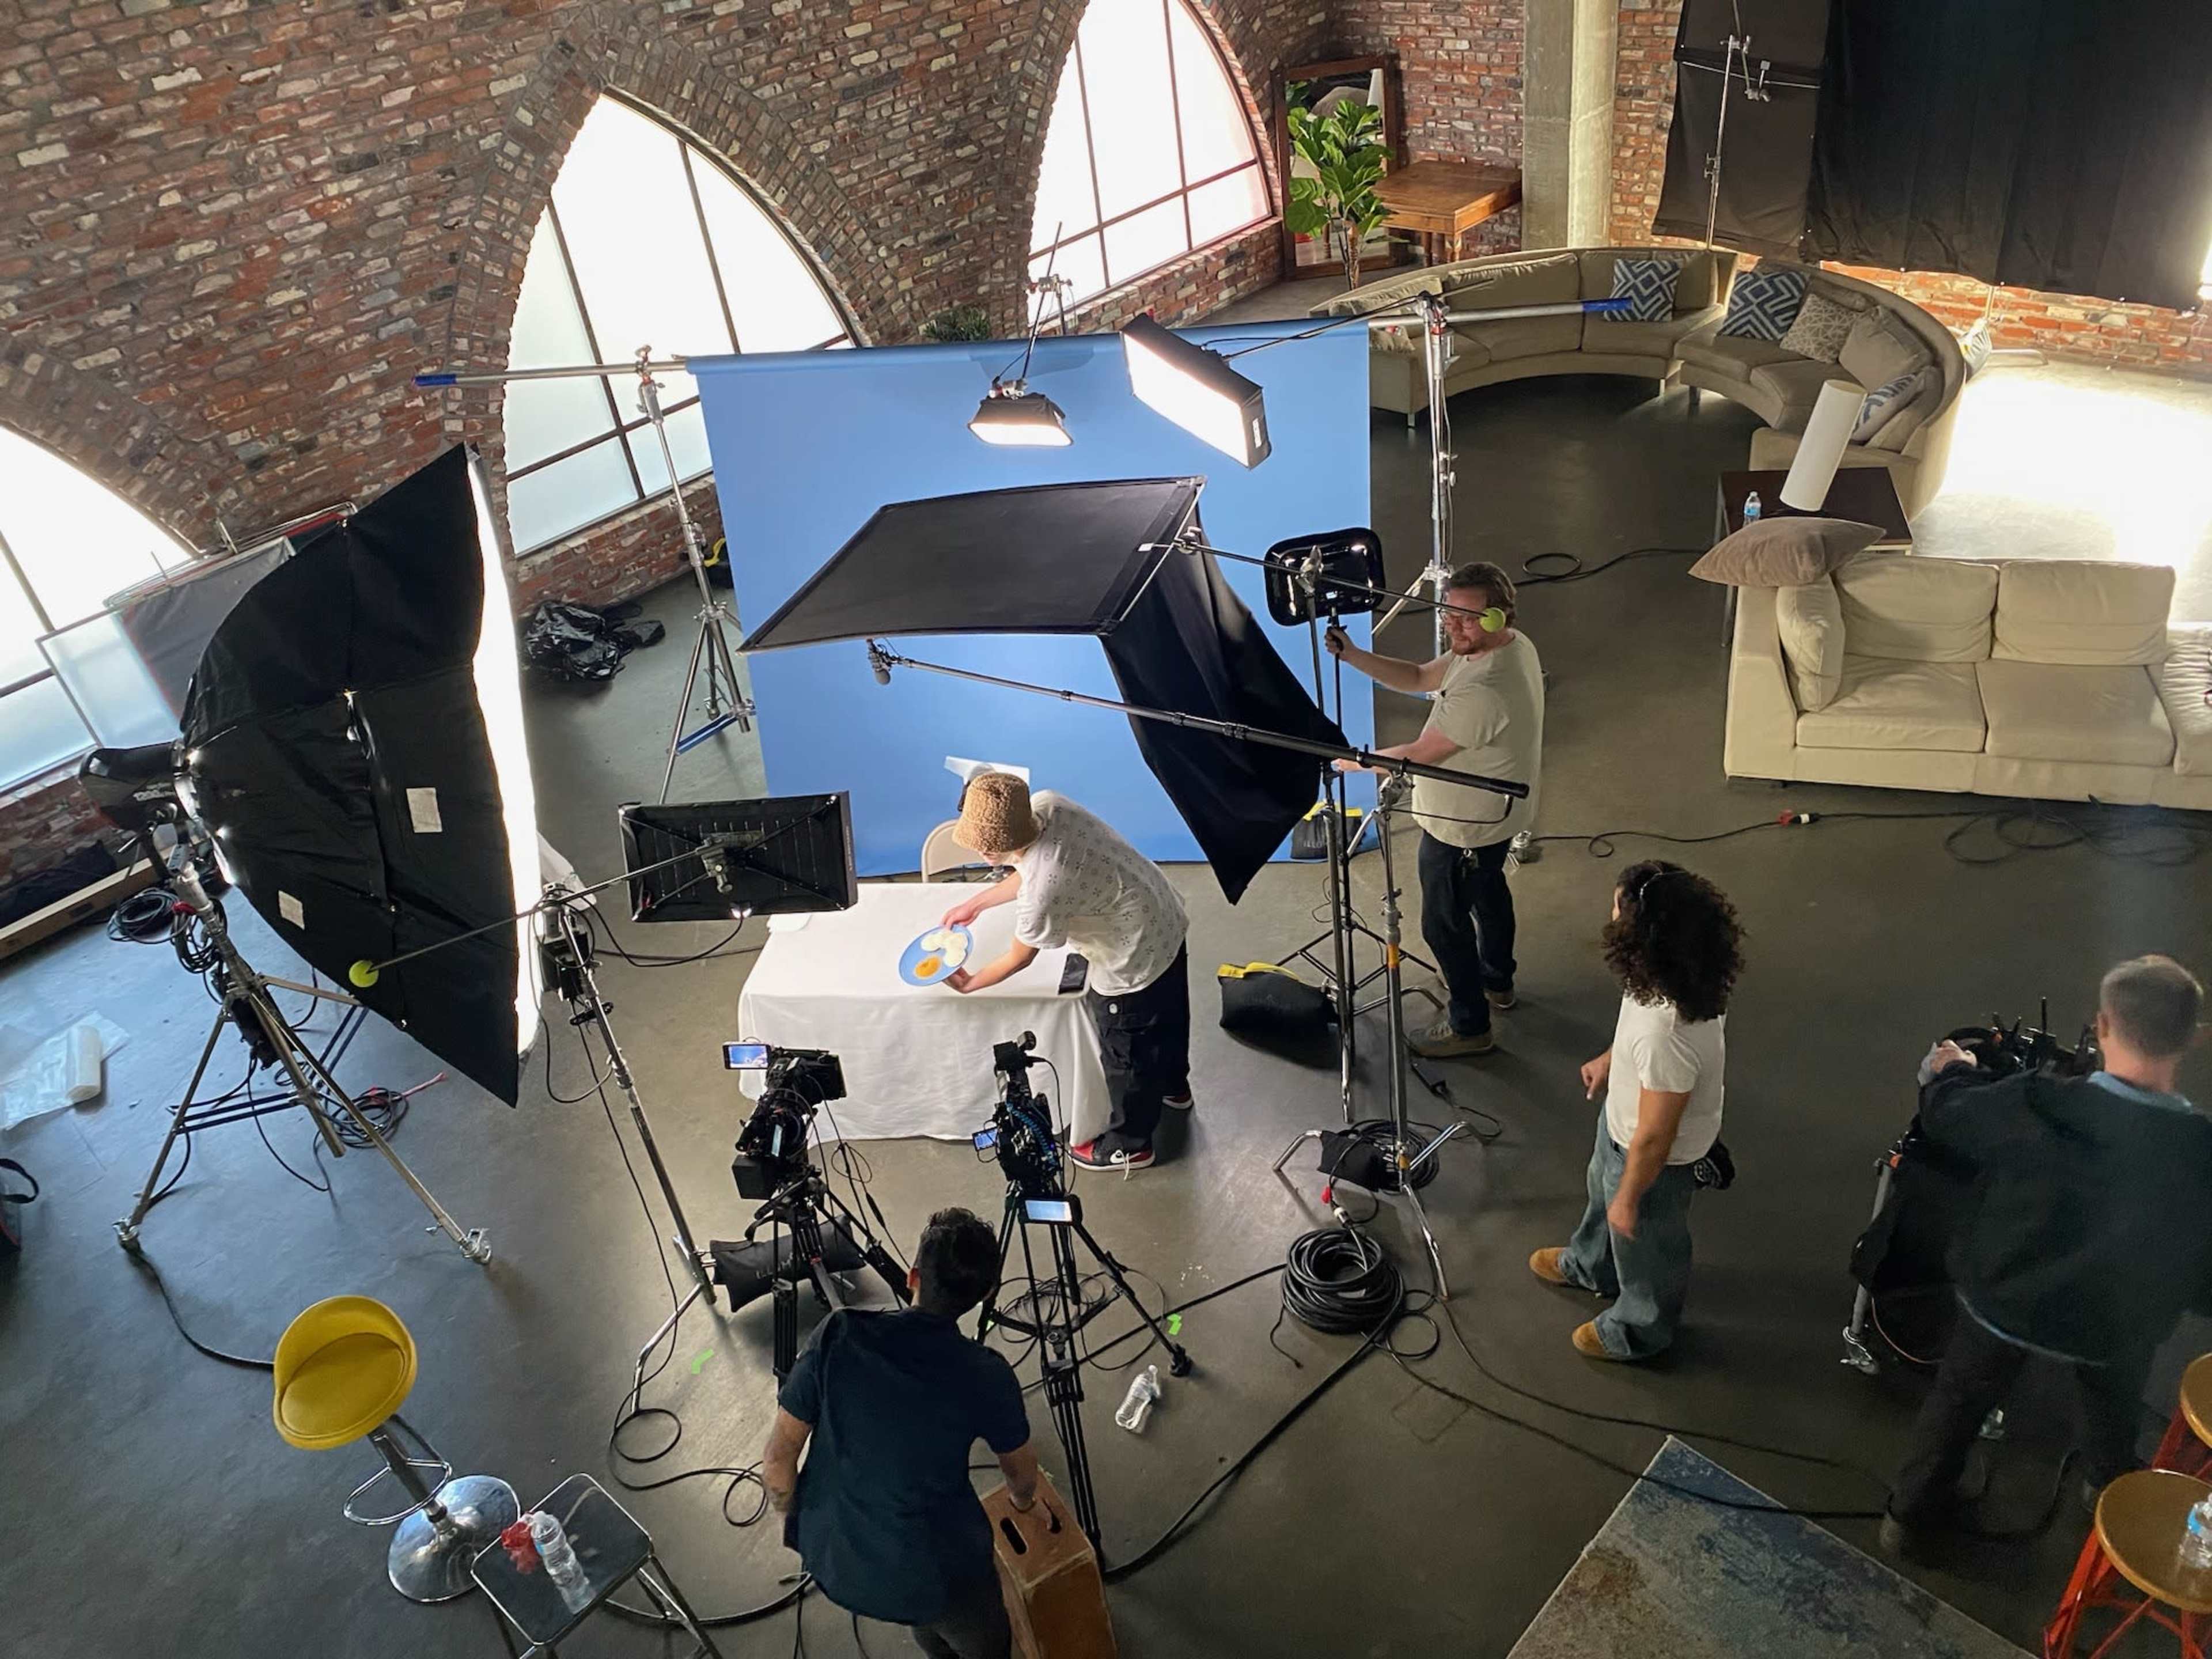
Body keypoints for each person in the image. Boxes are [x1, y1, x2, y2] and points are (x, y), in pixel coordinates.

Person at [1881, 956, 2212, 1558]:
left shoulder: (2037, 1102)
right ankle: (2109, 1493)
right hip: (2115, 1328)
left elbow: (1948, 1115)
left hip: (2004, 1297)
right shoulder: (2201, 1156)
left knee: (1960, 1399)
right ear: (2194, 1037)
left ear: (2103, 1025)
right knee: (2114, 1407)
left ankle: (1910, 1517)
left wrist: (1954, 1073)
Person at [762, 1207, 1043, 1659]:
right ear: (986, 1293)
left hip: (832, 1559)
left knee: (923, 1608)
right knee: (981, 1636)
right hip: (933, 1579)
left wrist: (811, 1526)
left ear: (913, 1276)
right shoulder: (985, 1375)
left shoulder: (839, 1333)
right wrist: (1023, 1504)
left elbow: (777, 1466)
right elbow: (1023, 1477)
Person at [1327, 560, 1543, 1058]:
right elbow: (1420, 676)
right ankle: (1497, 982)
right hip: (1497, 817)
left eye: (1467, 618)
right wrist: (1356, 656)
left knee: (1442, 924)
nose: (1453, 625)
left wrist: (1352, 762)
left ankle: (1470, 1026)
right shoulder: (1506, 645)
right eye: (1448, 613)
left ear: (1497, 618)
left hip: (1464, 825)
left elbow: (1419, 756)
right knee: (1488, 895)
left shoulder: (1487, 691)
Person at [1529, 861, 1742, 1361]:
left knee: (1648, 1246)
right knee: (1601, 1198)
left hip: (1652, 1162)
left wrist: (1630, 1194)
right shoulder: (1671, 973)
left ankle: (1640, 1330)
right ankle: (1592, 1263)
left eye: (1617, 905)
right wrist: (1611, 1059)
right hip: (1622, 1125)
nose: (1610, 911)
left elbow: (1655, 1137)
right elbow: (1636, 1029)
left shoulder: (1667, 1034)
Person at [937, 772, 1190, 1172]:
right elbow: (1029, 861)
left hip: (1130, 958)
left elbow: (1021, 956)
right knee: (1170, 1015)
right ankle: (1175, 1089)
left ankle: (1131, 1144)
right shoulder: (1047, 805)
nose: (984, 854)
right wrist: (980, 903)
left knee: (1128, 1050)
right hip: (1163, 918)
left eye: (988, 847)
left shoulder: (1043, 889)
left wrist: (970, 983)